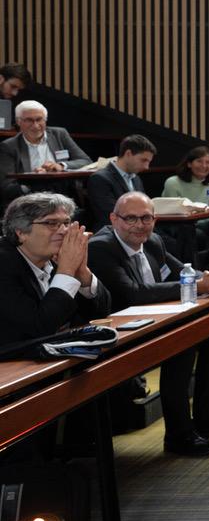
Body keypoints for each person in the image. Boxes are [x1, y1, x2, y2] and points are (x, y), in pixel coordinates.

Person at [88, 192, 209, 456]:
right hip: (118, 333)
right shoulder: (100, 247)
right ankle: (179, 435)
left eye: (146, 218)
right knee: (182, 343)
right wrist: (199, 284)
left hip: (158, 322)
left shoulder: (153, 240)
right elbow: (134, 292)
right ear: (113, 219)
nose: (139, 225)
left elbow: (184, 273)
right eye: (130, 218)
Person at [0, 192, 111, 347]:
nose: (64, 231)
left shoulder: (56, 257)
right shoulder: (4, 265)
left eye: (66, 222)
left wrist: (81, 272)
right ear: (21, 232)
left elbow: (101, 314)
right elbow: (38, 329)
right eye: (51, 223)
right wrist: (66, 271)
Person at [0, 101, 91, 203]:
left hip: (64, 193)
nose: (35, 125)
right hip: (30, 197)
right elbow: (6, 186)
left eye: (39, 119)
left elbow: (85, 161)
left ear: (45, 120)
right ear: (18, 121)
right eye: (29, 120)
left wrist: (61, 165)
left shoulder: (60, 134)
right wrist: (33, 181)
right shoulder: (9, 146)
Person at [86, 134, 157, 230]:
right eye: (143, 160)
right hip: (112, 234)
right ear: (128, 154)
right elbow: (109, 217)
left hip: (136, 230)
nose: (146, 167)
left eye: (148, 162)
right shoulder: (99, 179)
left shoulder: (136, 179)